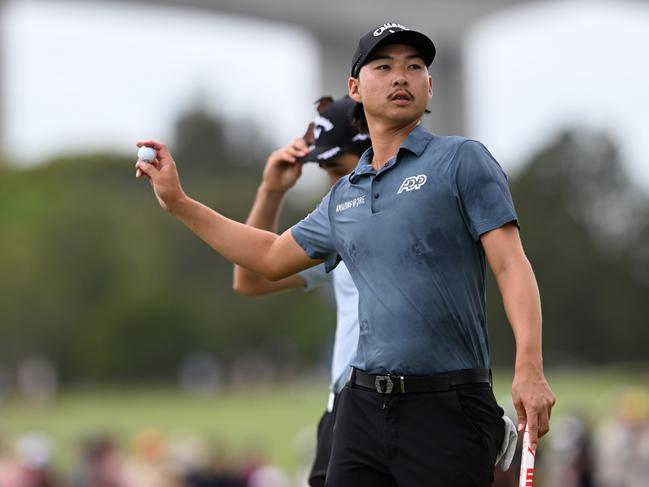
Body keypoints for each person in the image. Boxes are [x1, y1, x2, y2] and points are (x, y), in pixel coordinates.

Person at [135, 22, 555, 486]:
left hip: (447, 401)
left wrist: (529, 367)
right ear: (354, 88)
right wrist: (180, 203)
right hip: (361, 405)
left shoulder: (461, 160)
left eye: (414, 67)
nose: (401, 76)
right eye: (384, 66)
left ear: (430, 84)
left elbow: (511, 264)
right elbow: (270, 257)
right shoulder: (343, 196)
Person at [231, 95, 370, 487]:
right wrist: (272, 190)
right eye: (324, 172)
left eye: (337, 169)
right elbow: (251, 279)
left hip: (418, 407)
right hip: (344, 413)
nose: (332, 187)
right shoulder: (337, 227)